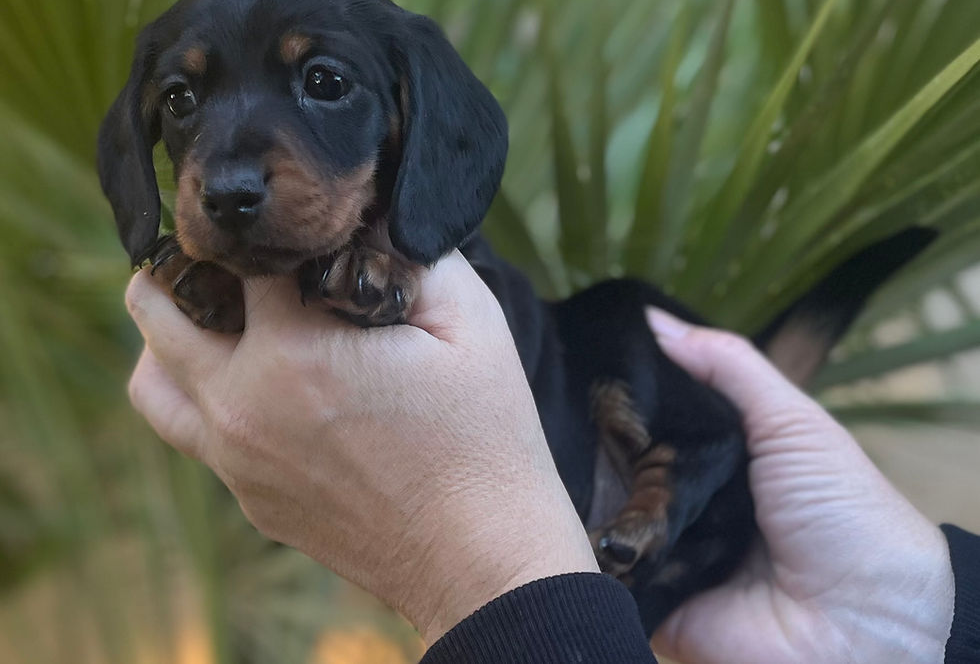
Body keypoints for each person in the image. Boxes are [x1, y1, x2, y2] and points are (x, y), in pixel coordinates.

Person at [125, 250, 980, 664]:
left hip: (671, 507)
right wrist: (909, 620)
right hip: (683, 584)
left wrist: (473, 579)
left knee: (622, 317)